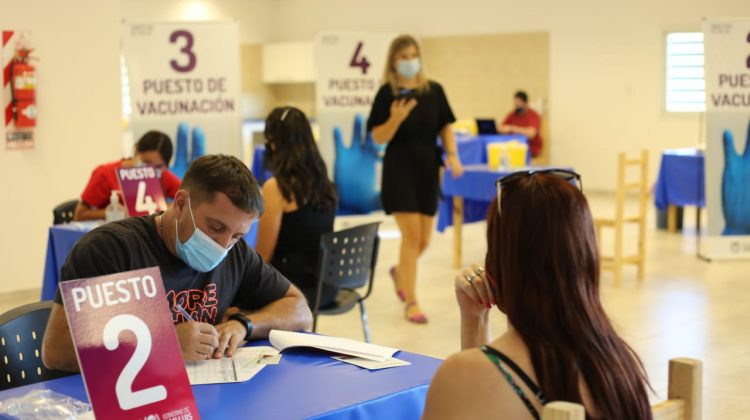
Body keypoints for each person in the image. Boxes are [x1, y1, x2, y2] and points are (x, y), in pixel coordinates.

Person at [42, 154, 313, 372]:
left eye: (237, 235)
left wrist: (244, 325)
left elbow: (300, 311)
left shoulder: (236, 253)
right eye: (215, 227)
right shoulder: (110, 249)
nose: (223, 245)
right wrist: (163, 343)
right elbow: (56, 351)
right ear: (181, 204)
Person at [422, 170, 653, 420]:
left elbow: (479, 390)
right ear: (586, 258)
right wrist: (473, 319)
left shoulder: (461, 375)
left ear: (498, 263)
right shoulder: (619, 365)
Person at [367, 34, 463, 324]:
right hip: (399, 169)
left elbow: (446, 126)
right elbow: (377, 137)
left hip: (427, 169)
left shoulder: (434, 91)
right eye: (403, 56)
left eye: (413, 55)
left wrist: (453, 154)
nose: (410, 61)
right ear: (394, 61)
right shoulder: (387, 93)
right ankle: (412, 301)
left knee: (423, 239)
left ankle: (400, 272)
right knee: (410, 237)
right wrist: (395, 118)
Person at [256, 107, 338, 308]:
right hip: (328, 286)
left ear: (274, 143)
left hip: (292, 292)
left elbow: (262, 257)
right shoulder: (326, 184)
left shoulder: (276, 188)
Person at [74, 130, 182, 221]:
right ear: (136, 150)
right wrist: (117, 213)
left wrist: (167, 208)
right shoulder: (105, 174)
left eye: (157, 167)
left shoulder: (163, 176)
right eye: (146, 162)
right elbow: (79, 215)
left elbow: (189, 200)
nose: (149, 170)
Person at [498, 91, 543, 158]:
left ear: (526, 102)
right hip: (512, 148)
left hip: (530, 147)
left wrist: (512, 128)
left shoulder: (533, 115)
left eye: (519, 102)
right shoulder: (512, 115)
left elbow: (531, 134)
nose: (517, 105)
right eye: (515, 103)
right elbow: (500, 128)